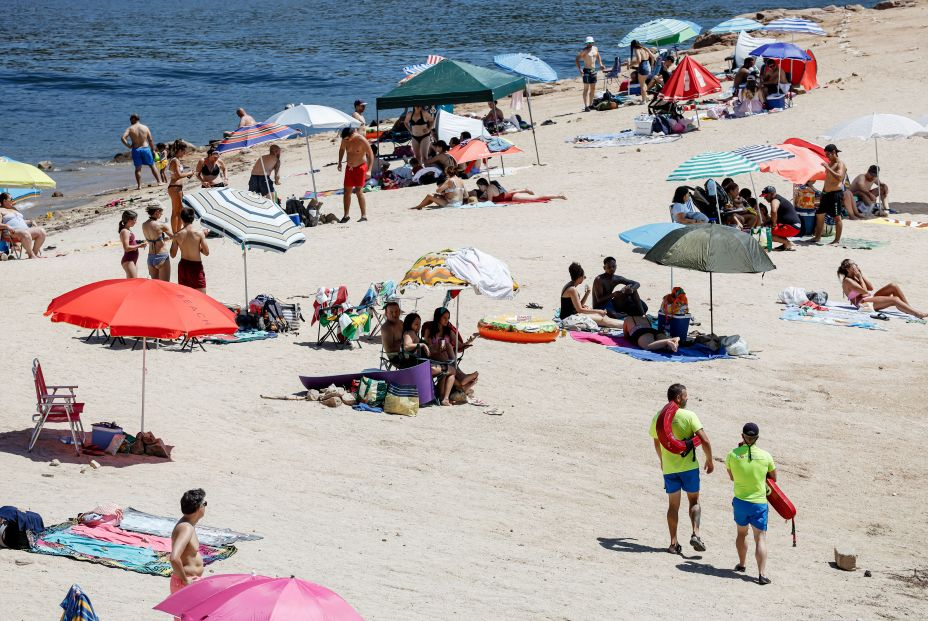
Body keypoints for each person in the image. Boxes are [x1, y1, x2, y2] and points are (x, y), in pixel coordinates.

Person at [649, 384, 714, 554]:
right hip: (689, 468)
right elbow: (705, 440)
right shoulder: (689, 415)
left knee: (673, 506)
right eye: (686, 396)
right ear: (678, 398)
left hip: (669, 469)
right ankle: (696, 534)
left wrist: (662, 461)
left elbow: (657, 442)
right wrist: (710, 460)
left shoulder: (658, 417)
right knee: (694, 501)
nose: (687, 398)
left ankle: (673, 543)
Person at [726, 423, 775, 585]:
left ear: (742, 436)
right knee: (760, 537)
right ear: (757, 438)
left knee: (741, 534)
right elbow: (773, 478)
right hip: (759, 503)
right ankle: (761, 574)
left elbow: (732, 477)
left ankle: (741, 564)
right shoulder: (766, 456)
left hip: (740, 501)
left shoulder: (732, 455)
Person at [838, 259, 927, 318]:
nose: (856, 266)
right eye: (853, 265)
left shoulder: (854, 277)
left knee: (893, 286)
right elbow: (865, 292)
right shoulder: (847, 281)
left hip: (868, 299)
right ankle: (916, 313)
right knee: (894, 299)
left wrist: (861, 275)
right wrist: (860, 278)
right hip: (864, 305)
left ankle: (908, 309)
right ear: (847, 268)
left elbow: (870, 288)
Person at [422, 307, 479, 398]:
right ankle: (462, 379)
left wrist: (468, 342)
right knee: (447, 345)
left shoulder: (448, 330)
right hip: (433, 357)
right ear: (438, 317)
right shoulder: (429, 329)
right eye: (444, 318)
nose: (446, 320)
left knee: (447, 345)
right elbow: (427, 346)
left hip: (446, 358)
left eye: (448, 318)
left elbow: (459, 345)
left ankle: (462, 382)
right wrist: (437, 347)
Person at [170, 489, 207, 606]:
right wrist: (186, 581)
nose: (205, 507)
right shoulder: (186, 528)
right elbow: (174, 558)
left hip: (186, 582)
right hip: (185, 582)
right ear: (198, 509)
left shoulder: (188, 524)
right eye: (204, 504)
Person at [561, 262, 624, 329]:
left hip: (573, 314)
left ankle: (624, 324)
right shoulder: (572, 290)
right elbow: (579, 310)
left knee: (604, 317)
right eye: (583, 277)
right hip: (569, 318)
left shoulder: (570, 286)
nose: (584, 278)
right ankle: (625, 326)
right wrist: (598, 311)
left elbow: (578, 306)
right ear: (579, 278)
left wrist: (587, 293)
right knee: (602, 320)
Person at [337, 127, 375, 223]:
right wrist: (340, 162)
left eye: (347, 139)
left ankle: (363, 215)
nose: (346, 141)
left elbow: (370, 154)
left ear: (352, 135)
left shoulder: (361, 139)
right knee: (346, 191)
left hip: (360, 167)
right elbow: (341, 149)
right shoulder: (345, 140)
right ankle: (346, 215)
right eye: (345, 139)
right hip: (349, 168)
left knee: (358, 191)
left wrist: (369, 170)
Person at [813, 144, 846, 244]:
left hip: (836, 194)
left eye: (828, 154)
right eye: (826, 154)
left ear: (834, 153)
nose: (826, 156)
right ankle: (817, 237)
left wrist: (828, 168)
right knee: (819, 214)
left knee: (837, 217)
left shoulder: (840, 164)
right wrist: (823, 192)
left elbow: (840, 177)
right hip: (826, 193)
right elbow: (827, 180)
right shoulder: (830, 163)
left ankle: (836, 240)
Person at [170, 207, 209, 292]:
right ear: (193, 218)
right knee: (202, 297)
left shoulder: (177, 235)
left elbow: (172, 255)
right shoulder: (199, 233)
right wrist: (198, 247)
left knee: (186, 296)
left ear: (181, 218)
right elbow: (206, 252)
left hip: (183, 266)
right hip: (196, 266)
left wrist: (174, 240)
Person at [0, 192, 47, 259]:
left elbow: (19, 221)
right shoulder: (0, 210)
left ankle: (35, 253)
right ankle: (31, 255)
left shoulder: (14, 209)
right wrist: (7, 226)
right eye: (11, 199)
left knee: (41, 231)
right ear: (4, 201)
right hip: (11, 232)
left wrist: (30, 221)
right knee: (25, 233)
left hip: (24, 230)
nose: (13, 201)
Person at [121, 114, 161, 190]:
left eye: (130, 119)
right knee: (152, 165)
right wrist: (153, 150)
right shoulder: (145, 127)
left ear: (134, 119)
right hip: (145, 148)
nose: (130, 121)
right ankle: (159, 182)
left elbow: (123, 138)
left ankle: (139, 186)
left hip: (136, 149)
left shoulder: (130, 128)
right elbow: (150, 140)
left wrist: (129, 146)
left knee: (138, 169)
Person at [165, 140, 195, 234]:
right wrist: (189, 173)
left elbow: (177, 174)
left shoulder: (175, 160)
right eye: (184, 151)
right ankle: (175, 232)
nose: (185, 153)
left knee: (179, 210)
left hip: (176, 187)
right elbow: (178, 175)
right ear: (179, 150)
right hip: (175, 187)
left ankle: (179, 231)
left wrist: (187, 174)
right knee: (176, 211)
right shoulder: (175, 160)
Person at [760, 186, 800, 251]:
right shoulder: (779, 199)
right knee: (767, 227)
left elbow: (774, 211)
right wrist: (766, 223)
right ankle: (786, 244)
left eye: (766, 196)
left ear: (772, 194)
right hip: (795, 226)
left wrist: (774, 225)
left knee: (765, 232)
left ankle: (788, 243)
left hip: (791, 227)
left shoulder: (775, 200)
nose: (765, 198)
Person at [474, 178, 566, 203]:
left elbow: (489, 202)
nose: (479, 189)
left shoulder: (489, 189)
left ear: (482, 185)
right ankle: (525, 190)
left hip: (513, 197)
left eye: (479, 187)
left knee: (537, 197)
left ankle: (558, 195)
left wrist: (479, 201)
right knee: (535, 197)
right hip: (510, 195)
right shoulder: (492, 185)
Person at [142, 205, 172, 281]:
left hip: (151, 257)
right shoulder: (160, 225)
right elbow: (174, 236)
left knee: (155, 287)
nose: (162, 214)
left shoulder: (144, 225)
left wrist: (164, 238)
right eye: (161, 212)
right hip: (161, 255)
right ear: (157, 211)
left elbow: (153, 239)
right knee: (165, 286)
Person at [575, 36, 605, 111]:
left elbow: (598, 56)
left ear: (593, 42)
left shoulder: (595, 48)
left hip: (593, 70)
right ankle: (586, 106)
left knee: (593, 88)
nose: (589, 44)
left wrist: (601, 64)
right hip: (586, 71)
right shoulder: (584, 51)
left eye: (590, 42)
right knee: (586, 88)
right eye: (588, 43)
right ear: (586, 43)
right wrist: (580, 69)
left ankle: (591, 105)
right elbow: (577, 60)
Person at [118, 210, 145, 278]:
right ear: (129, 220)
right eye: (135, 220)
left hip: (132, 259)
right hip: (128, 260)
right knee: (133, 283)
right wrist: (139, 245)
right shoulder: (125, 231)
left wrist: (138, 242)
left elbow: (131, 242)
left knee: (133, 283)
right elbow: (126, 248)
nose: (136, 222)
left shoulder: (127, 230)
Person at [629, 40, 657, 105]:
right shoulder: (645, 48)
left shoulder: (636, 50)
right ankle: (646, 96)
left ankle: (643, 100)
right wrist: (652, 66)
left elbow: (639, 60)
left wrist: (631, 64)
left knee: (641, 85)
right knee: (644, 83)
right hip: (648, 66)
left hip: (643, 67)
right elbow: (653, 57)